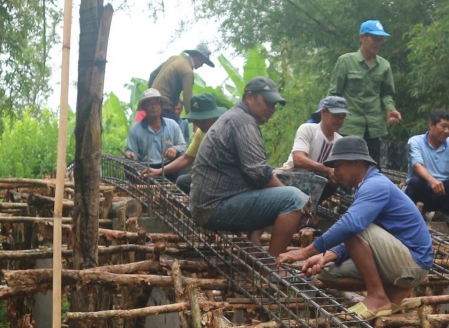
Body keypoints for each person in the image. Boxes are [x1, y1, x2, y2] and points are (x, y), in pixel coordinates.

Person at [278, 136, 433, 320]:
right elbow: (360, 238)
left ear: (356, 162)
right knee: (327, 271)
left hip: (413, 263)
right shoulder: (363, 187)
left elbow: (353, 227)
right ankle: (393, 290)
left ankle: (377, 297)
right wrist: (323, 256)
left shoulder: (375, 184)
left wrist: (306, 252)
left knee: (351, 226)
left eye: (338, 165)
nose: (335, 172)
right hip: (398, 260)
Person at [189, 76, 309, 258]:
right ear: (250, 97)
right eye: (267, 102)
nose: (271, 109)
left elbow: (257, 171)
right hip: (213, 208)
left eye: (274, 105)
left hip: (209, 204)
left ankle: (254, 237)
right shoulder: (243, 122)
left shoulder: (236, 117)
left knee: (281, 186)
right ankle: (272, 268)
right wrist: (297, 201)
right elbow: (259, 173)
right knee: (294, 199)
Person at [328, 20, 401, 164]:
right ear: (362, 37)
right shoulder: (345, 61)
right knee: (347, 166)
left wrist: (390, 109)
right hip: (350, 126)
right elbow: (334, 94)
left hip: (375, 127)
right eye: (375, 38)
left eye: (381, 39)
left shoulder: (384, 66)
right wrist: (331, 122)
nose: (378, 42)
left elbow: (386, 93)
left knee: (373, 167)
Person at [143, 93, 226, 193]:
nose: (198, 124)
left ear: (213, 117)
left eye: (203, 120)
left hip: (227, 179)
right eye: (196, 120)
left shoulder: (225, 131)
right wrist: (159, 171)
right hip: (209, 178)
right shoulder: (201, 133)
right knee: (183, 181)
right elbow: (187, 158)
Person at [276, 96, 348, 204]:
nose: (339, 121)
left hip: (315, 188)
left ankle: (311, 209)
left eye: (342, 117)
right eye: (336, 116)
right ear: (324, 112)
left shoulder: (340, 141)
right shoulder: (308, 129)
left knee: (334, 181)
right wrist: (327, 169)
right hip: (289, 180)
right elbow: (298, 159)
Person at [149, 44, 216, 142]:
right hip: (165, 106)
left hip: (151, 103)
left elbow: (153, 74)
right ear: (199, 58)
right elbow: (188, 99)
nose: (202, 65)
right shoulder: (188, 71)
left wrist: (149, 96)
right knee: (172, 138)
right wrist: (195, 122)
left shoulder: (175, 58)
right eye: (203, 62)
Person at [124, 88, 186, 174]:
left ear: (161, 106)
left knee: (182, 156)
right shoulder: (135, 129)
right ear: (144, 107)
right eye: (149, 104)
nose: (154, 107)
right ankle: (139, 184)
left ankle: (177, 185)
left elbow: (182, 145)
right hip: (144, 168)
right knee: (128, 163)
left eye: (156, 103)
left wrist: (174, 149)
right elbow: (132, 152)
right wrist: (131, 155)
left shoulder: (172, 125)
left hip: (168, 167)